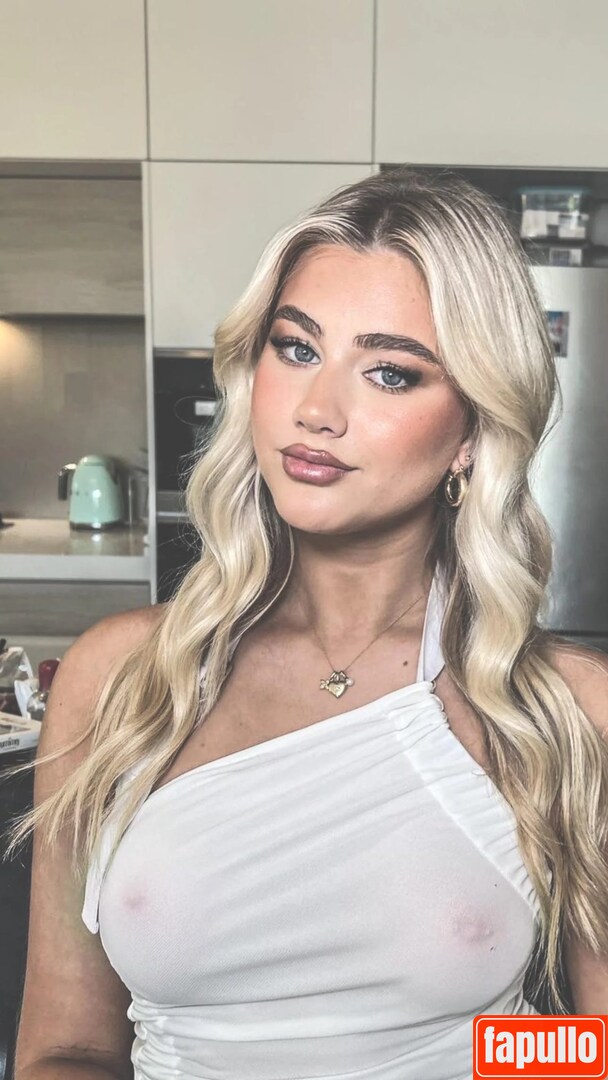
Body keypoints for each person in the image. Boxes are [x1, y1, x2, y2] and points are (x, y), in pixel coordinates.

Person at [7, 168, 608, 1080]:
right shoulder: (122, 678)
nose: (317, 411)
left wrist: (457, 1060)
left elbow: (593, 1049)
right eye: (295, 349)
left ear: (472, 433)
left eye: (390, 372)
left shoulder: (566, 707)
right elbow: (69, 1048)